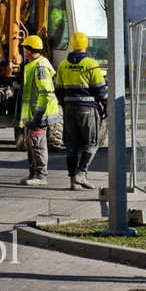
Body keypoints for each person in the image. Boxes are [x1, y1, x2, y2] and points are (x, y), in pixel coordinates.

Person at [55, 32, 109, 191]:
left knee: (71, 145)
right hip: (87, 108)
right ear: (86, 45)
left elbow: (58, 91)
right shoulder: (91, 64)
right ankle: (81, 173)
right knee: (91, 142)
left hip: (69, 108)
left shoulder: (64, 65)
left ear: (72, 44)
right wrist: (106, 104)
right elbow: (100, 89)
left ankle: (74, 180)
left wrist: (65, 104)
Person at [19, 35, 61, 187]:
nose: (23, 50)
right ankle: (33, 173)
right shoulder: (33, 65)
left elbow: (46, 92)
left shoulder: (40, 67)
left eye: (25, 47)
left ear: (29, 50)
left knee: (38, 144)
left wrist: (38, 113)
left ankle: (41, 176)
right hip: (33, 113)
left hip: (40, 114)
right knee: (31, 144)